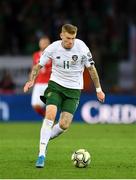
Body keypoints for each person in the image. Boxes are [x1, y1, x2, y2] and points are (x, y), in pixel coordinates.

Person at [23, 24, 105, 168]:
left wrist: (98, 89)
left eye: (73, 38)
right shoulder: (53, 48)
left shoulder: (82, 47)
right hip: (56, 86)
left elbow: (91, 69)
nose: (70, 42)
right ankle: (41, 154)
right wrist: (31, 80)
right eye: (68, 38)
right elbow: (38, 66)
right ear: (61, 35)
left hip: (74, 90)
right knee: (50, 114)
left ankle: (45, 139)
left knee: (64, 125)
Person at [31, 36, 52, 117]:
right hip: (38, 83)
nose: (44, 44)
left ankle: (50, 121)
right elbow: (34, 69)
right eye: (42, 43)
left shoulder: (53, 55)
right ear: (39, 44)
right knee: (35, 105)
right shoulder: (36, 55)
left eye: (46, 43)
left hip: (50, 84)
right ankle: (48, 118)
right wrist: (31, 80)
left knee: (51, 106)